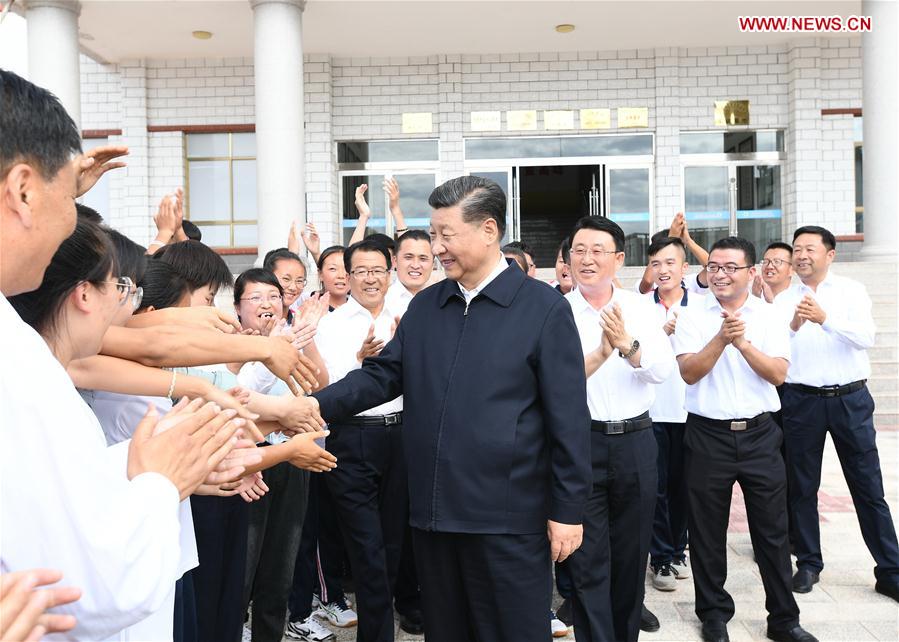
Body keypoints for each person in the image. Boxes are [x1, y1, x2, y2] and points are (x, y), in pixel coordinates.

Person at [1, 69, 243, 640]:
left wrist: (136, 466)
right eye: (72, 203)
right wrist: (160, 481)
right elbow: (92, 586)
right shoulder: (20, 363)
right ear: (23, 191)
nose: (76, 223)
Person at [309, 175, 591, 642]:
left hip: (508, 523)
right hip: (435, 519)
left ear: (488, 230)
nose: (436, 247)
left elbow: (568, 417)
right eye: (432, 233)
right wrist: (309, 406)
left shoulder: (540, 308)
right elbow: (381, 376)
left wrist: (568, 509)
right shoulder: (427, 308)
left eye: (446, 235)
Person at [674, 236, 817, 642]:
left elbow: (777, 374)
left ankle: (784, 619)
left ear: (750, 272)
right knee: (706, 532)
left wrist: (741, 342)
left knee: (772, 532)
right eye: (714, 267)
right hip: (707, 436)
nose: (720, 274)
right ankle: (714, 615)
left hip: (759, 435)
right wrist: (721, 339)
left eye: (730, 267)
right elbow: (689, 372)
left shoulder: (769, 316)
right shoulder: (692, 316)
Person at [564, 217, 674, 642]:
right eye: (579, 250)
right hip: (580, 443)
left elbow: (662, 371)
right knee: (587, 560)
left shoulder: (641, 309)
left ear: (619, 258)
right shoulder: (556, 311)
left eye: (597, 250)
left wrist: (627, 346)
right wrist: (598, 352)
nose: (587, 259)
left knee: (631, 558)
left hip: (635, 442)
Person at [778, 226, 899, 602]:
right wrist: (796, 324)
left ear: (830, 254)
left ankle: (890, 569)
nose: (801, 256)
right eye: (797, 249)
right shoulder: (783, 298)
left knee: (867, 485)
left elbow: (866, 337)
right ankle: (809, 563)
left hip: (850, 400)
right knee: (801, 486)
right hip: (801, 401)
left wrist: (824, 318)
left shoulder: (851, 291)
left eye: (809, 249)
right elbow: (776, 345)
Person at [310, 239, 409, 642]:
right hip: (351, 441)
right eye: (361, 272)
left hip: (401, 438)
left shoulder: (408, 318)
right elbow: (325, 389)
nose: (370, 279)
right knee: (367, 549)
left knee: (393, 545)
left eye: (378, 271)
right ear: (347, 278)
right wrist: (361, 364)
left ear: (390, 274)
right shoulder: (330, 325)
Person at [644, 236, 702, 592]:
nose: (663, 270)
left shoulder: (702, 306)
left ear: (684, 269)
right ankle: (661, 556)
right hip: (651, 411)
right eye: (656, 264)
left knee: (684, 486)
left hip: (690, 410)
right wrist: (658, 335)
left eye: (670, 263)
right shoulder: (638, 307)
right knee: (657, 487)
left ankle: (678, 549)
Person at [384, 230, 434, 318]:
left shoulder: (442, 300)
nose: (415, 265)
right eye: (408, 257)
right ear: (395, 261)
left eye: (423, 259)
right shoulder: (381, 300)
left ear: (433, 264)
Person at [264, 248, 309, 316]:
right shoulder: (253, 320)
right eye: (286, 279)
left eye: (299, 281)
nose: (293, 288)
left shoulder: (300, 320)